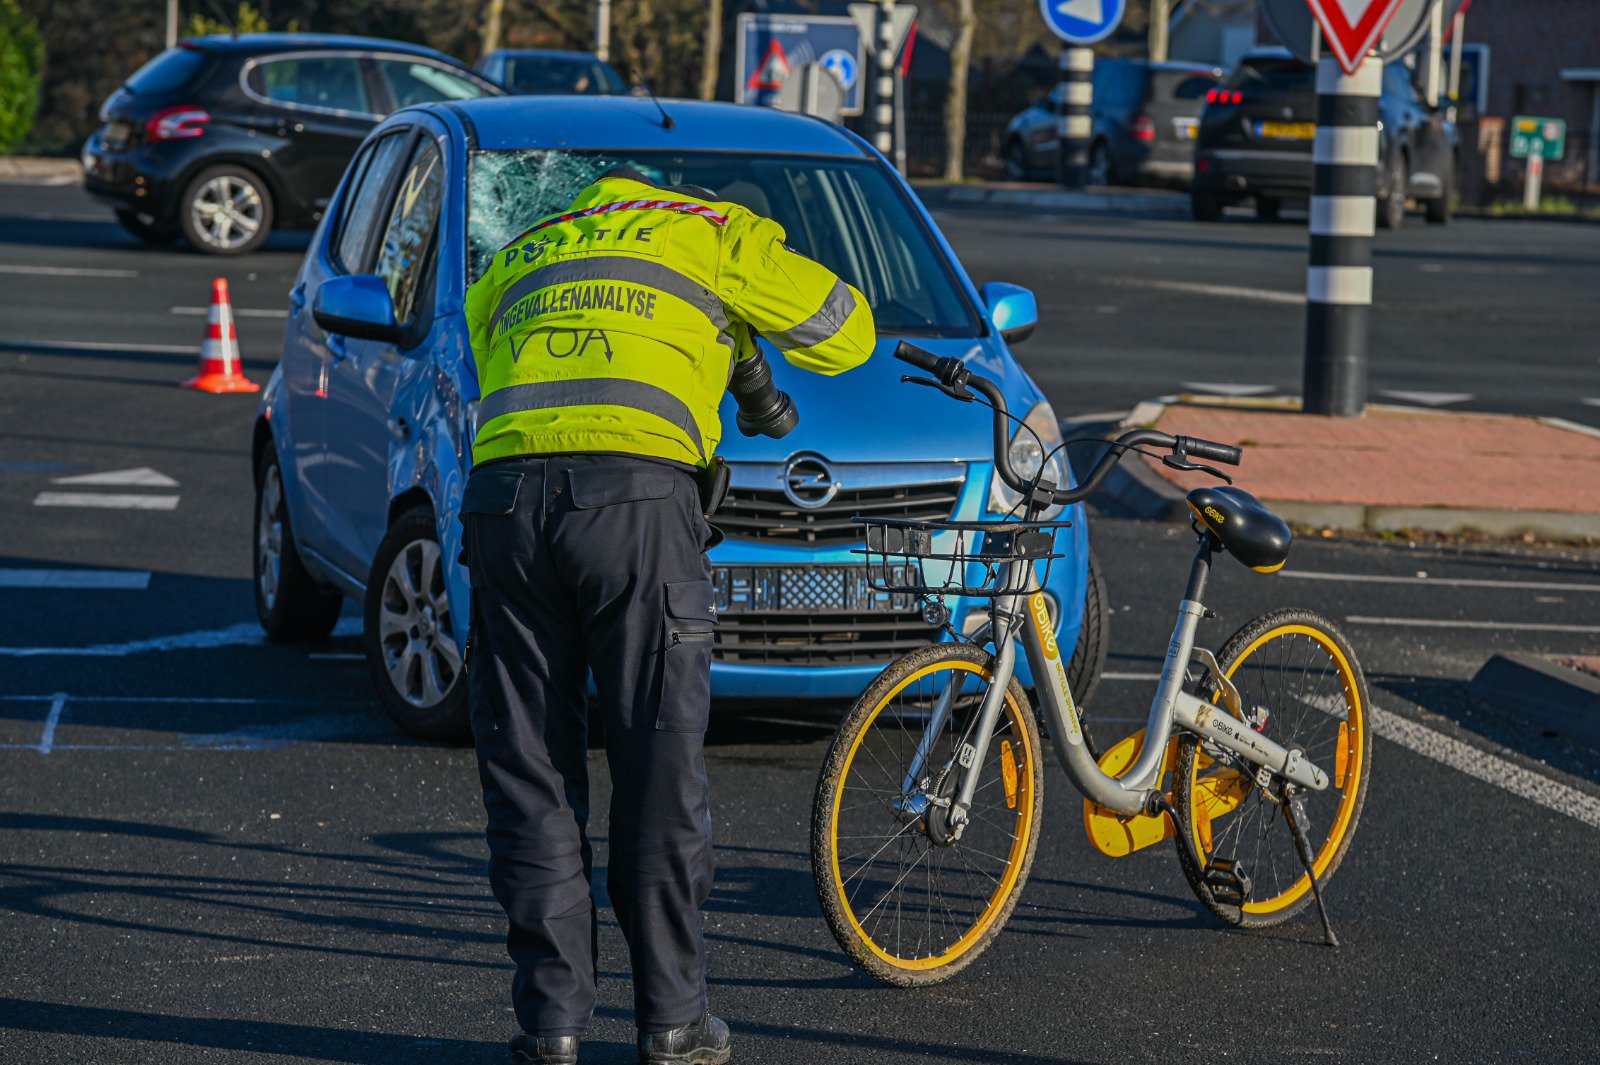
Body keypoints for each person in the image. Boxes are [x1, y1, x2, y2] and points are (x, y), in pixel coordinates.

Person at [461, 167, 874, 1065]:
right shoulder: (716, 232)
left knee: (530, 769)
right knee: (656, 765)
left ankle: (552, 1029)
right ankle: (673, 1023)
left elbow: (495, 358)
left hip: (503, 505)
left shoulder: (525, 251)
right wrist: (740, 313)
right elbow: (848, 333)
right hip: (638, 511)